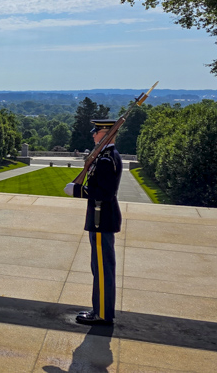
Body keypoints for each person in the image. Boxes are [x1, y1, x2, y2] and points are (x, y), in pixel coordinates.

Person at [64, 119, 122, 325]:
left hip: (101, 219)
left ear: (106, 134)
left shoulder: (107, 159)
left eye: (96, 132)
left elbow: (105, 193)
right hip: (100, 218)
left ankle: (103, 314)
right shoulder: (104, 157)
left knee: (103, 269)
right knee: (99, 268)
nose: (93, 135)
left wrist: (78, 190)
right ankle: (101, 310)